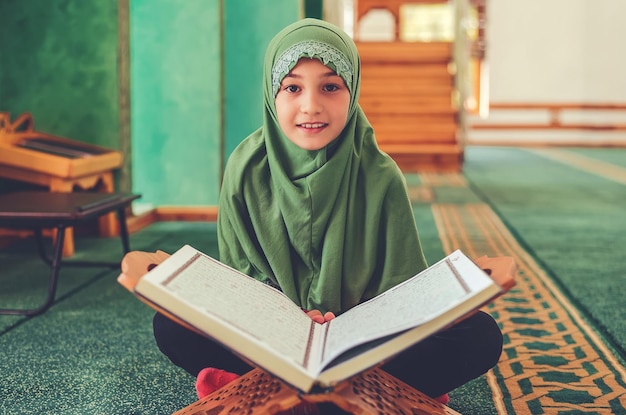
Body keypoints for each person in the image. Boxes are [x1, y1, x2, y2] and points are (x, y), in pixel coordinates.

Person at [152, 18, 503, 413]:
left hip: (361, 344)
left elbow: (402, 289)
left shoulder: (379, 174)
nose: (311, 106)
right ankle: (364, 396)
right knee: (170, 323)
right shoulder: (245, 169)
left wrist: (349, 325)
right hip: (272, 339)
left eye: (331, 86)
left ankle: (268, 392)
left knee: (480, 335)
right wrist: (291, 321)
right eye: (293, 87)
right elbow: (241, 281)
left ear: (352, 94)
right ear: (272, 94)